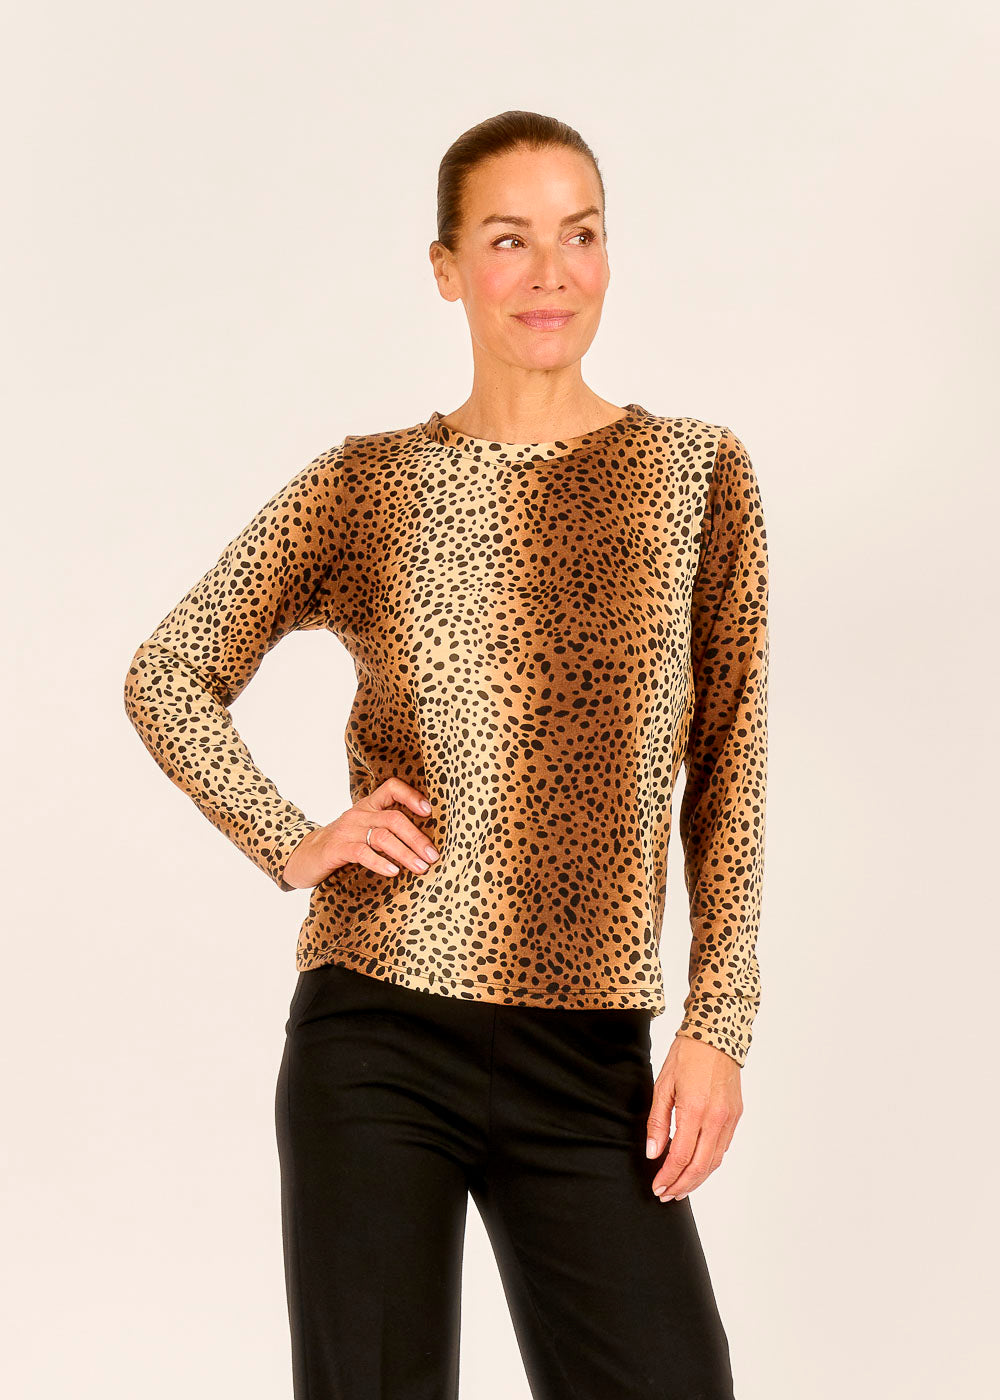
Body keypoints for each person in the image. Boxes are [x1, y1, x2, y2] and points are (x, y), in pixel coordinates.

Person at [123, 108, 769, 1400]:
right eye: (509, 239)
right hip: (378, 1035)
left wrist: (720, 1022)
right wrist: (292, 839)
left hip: (591, 1059)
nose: (551, 273)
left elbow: (730, 760)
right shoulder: (367, 483)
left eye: (579, 234)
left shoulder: (695, 474)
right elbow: (168, 674)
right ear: (446, 267)